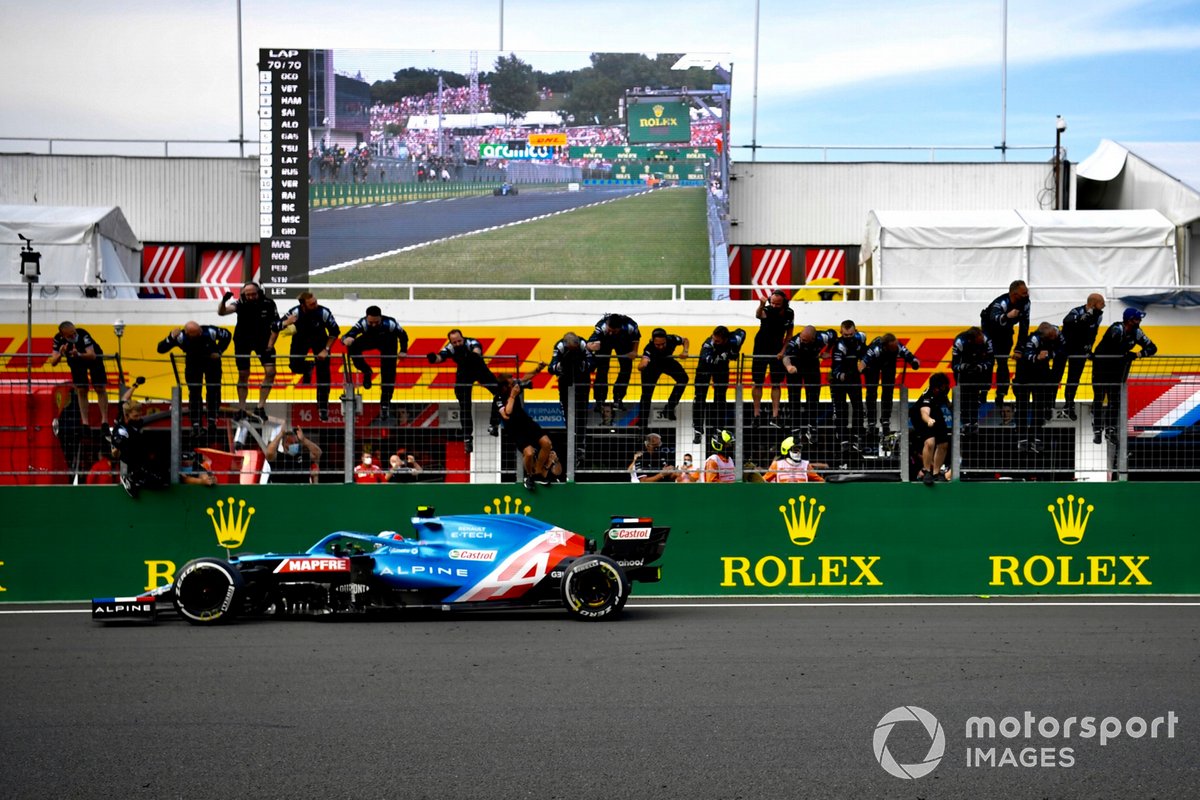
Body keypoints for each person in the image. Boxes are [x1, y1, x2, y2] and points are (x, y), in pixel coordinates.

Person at [427, 329, 500, 454]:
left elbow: (477, 351)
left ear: (463, 338)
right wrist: (433, 358)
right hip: (464, 374)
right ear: (451, 342)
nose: (457, 344)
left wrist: (472, 356)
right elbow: (441, 357)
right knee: (465, 405)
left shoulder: (472, 342)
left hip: (479, 369)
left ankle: (493, 425)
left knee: (500, 392)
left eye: (459, 341)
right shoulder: (450, 347)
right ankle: (467, 438)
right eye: (454, 342)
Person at [1091, 308, 1157, 444]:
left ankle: (1110, 430)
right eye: (1137, 319)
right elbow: (1111, 348)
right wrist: (1124, 355)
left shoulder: (1137, 332)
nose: (1140, 321)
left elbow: (1152, 348)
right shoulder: (1116, 329)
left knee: (1114, 400)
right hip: (1101, 368)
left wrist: (1137, 354)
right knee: (1099, 398)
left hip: (1119, 370)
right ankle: (1097, 430)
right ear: (1129, 320)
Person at [156, 321, 232, 438]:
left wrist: (219, 351)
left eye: (200, 331)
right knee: (195, 393)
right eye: (197, 333)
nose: (200, 333)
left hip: (212, 362)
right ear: (188, 334)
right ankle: (196, 424)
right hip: (193, 363)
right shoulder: (180, 336)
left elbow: (227, 335)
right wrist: (170, 337)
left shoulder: (209, 331)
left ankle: (212, 421)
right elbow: (160, 349)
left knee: (213, 390)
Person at [217, 282, 279, 422]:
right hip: (242, 341)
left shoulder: (269, 303)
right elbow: (222, 312)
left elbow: (276, 325)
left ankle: (260, 407)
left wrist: (270, 344)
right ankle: (242, 409)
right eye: (247, 294)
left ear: (259, 292)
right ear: (243, 294)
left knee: (271, 372)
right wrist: (223, 301)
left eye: (253, 294)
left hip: (263, 341)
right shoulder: (240, 302)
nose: (250, 297)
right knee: (243, 374)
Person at [275, 291, 340, 421]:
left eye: (315, 302)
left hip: (320, 342)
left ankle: (323, 407)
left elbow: (335, 331)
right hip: (300, 340)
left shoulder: (324, 312)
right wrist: (286, 323)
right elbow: (275, 326)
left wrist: (326, 349)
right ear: (303, 305)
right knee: (294, 366)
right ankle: (307, 367)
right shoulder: (295, 312)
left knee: (324, 374)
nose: (315, 305)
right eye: (311, 304)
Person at [341, 305, 410, 423]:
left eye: (376, 322)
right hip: (370, 339)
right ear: (367, 318)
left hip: (388, 342)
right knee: (352, 347)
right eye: (370, 322)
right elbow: (346, 336)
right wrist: (346, 340)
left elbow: (403, 336)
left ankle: (385, 405)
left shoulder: (390, 323)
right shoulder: (362, 323)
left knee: (388, 374)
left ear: (381, 318)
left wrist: (403, 350)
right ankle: (366, 371)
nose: (373, 325)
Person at [494, 370, 554, 490]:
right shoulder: (498, 398)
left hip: (526, 422)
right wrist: (513, 396)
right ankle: (530, 476)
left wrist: (538, 368)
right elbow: (507, 412)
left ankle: (538, 472)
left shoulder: (515, 385)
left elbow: (525, 378)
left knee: (547, 444)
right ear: (505, 386)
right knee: (529, 453)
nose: (514, 384)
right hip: (515, 429)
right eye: (511, 383)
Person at [980, 279, 1031, 416]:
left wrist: (1019, 348)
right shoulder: (1001, 303)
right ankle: (984, 391)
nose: (1027, 295)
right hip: (989, 331)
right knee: (989, 361)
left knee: (1003, 363)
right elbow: (993, 318)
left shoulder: (1025, 303)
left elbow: (1024, 326)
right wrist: (1007, 316)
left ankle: (1001, 394)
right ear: (1014, 294)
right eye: (1024, 293)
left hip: (1005, 332)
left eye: (1027, 292)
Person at [1014, 322, 1065, 453]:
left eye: (1055, 335)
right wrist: (1037, 357)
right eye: (1052, 337)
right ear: (1045, 335)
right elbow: (1025, 356)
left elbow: (1063, 349)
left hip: (1040, 378)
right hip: (1023, 378)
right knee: (1022, 409)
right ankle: (1022, 439)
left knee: (1039, 408)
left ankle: (1036, 438)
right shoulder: (1034, 339)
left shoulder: (1057, 333)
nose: (1055, 338)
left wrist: (1049, 355)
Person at [860, 332, 920, 441]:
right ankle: (871, 421)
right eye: (893, 347)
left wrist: (914, 362)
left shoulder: (897, 346)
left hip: (889, 365)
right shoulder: (875, 349)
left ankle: (886, 419)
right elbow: (863, 362)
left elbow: (910, 356)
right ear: (885, 346)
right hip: (873, 365)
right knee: (871, 392)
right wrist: (862, 370)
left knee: (888, 391)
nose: (895, 348)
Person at [49, 321, 109, 428]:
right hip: (75, 359)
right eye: (70, 335)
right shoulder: (58, 339)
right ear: (63, 336)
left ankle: (104, 420)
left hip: (92, 358)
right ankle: (85, 422)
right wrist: (61, 354)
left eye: (74, 333)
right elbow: (53, 361)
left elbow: (92, 355)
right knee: (81, 389)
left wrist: (79, 354)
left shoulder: (82, 333)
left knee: (100, 387)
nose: (73, 336)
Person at [782, 325, 836, 440]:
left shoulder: (823, 337)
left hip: (812, 365)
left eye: (805, 340)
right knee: (794, 398)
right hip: (795, 366)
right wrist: (789, 366)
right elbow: (785, 356)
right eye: (801, 338)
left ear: (813, 338)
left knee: (813, 397)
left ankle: (812, 427)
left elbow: (834, 335)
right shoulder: (796, 341)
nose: (802, 340)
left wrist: (827, 351)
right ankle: (795, 429)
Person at [693, 325, 746, 444]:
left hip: (721, 370)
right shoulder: (708, 344)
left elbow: (742, 333)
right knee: (700, 398)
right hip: (704, 369)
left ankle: (718, 428)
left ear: (725, 339)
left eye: (717, 340)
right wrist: (724, 355)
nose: (714, 341)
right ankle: (698, 429)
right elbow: (707, 358)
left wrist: (734, 350)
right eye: (713, 338)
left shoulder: (733, 339)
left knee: (720, 398)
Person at [1057, 293, 1105, 420]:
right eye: (1101, 303)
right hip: (1064, 348)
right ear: (1094, 304)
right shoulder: (1076, 311)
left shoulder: (1099, 316)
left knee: (1073, 379)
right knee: (1057, 376)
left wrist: (1089, 347)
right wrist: (1084, 316)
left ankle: (1069, 405)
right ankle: (1047, 405)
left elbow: (1093, 333)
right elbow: (1066, 322)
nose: (1104, 305)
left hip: (1080, 351)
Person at [750, 290, 795, 427]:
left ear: (783, 302)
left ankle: (775, 415)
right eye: (772, 303)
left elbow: (789, 334)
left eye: (778, 304)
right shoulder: (767, 309)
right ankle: (756, 415)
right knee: (758, 382)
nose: (774, 306)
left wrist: (783, 350)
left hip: (777, 348)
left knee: (776, 382)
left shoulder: (789, 313)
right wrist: (761, 304)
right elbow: (759, 314)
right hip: (760, 347)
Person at [548, 332, 594, 463]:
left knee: (581, 417)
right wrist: (563, 365)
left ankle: (580, 447)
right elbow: (551, 368)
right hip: (565, 385)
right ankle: (572, 447)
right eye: (570, 349)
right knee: (568, 417)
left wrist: (579, 363)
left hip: (582, 385)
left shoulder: (584, 344)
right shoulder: (560, 346)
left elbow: (592, 363)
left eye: (575, 349)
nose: (573, 351)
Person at [586, 313, 641, 414]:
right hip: (604, 342)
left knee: (626, 368)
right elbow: (588, 344)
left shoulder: (631, 326)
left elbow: (636, 339)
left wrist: (634, 351)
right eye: (609, 330)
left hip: (623, 341)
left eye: (614, 331)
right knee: (602, 368)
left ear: (620, 328)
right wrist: (593, 346)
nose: (611, 333)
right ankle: (600, 400)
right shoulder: (601, 327)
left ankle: (618, 398)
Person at [637, 327, 690, 427]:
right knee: (646, 395)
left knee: (684, 379)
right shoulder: (649, 348)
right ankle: (642, 424)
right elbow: (641, 365)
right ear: (653, 341)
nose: (661, 347)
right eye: (658, 345)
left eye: (663, 344)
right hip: (652, 367)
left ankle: (669, 408)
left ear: (666, 339)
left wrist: (685, 351)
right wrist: (643, 364)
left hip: (667, 362)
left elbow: (685, 340)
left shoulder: (672, 339)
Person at [829, 320, 867, 449]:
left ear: (855, 331)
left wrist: (864, 363)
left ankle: (857, 436)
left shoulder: (861, 337)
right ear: (841, 333)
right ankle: (843, 438)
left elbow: (865, 352)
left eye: (851, 335)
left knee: (858, 408)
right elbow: (836, 370)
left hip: (854, 377)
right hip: (839, 379)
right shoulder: (839, 346)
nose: (848, 338)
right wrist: (843, 376)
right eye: (845, 335)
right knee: (841, 410)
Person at [910, 372, 952, 486]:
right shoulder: (927, 396)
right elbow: (924, 412)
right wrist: (928, 420)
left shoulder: (943, 391)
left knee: (943, 444)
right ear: (936, 388)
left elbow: (948, 403)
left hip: (935, 412)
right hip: (920, 417)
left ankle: (936, 473)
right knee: (930, 441)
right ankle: (927, 471)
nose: (946, 388)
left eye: (946, 386)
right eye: (943, 387)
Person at [951, 326, 994, 434]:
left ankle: (974, 422)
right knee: (964, 396)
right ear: (971, 340)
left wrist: (981, 367)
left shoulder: (987, 340)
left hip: (980, 370)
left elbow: (991, 361)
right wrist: (964, 367)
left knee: (975, 396)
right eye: (978, 342)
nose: (980, 343)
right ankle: (965, 423)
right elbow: (954, 365)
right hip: (964, 373)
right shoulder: (960, 342)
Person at [763, 436, 827, 483]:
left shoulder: (806, 465)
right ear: (786, 450)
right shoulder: (777, 465)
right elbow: (763, 481)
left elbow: (821, 481)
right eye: (795, 449)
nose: (798, 452)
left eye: (799, 449)